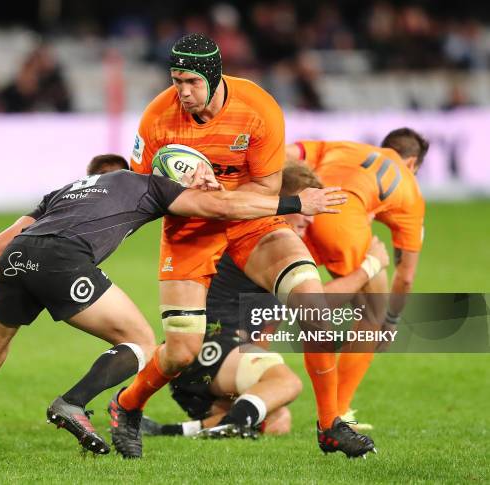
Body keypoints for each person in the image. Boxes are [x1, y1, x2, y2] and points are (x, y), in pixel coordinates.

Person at [0, 156, 343, 466]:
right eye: (198, 174)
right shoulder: (150, 184)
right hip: (63, 258)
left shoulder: (64, 191)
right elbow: (224, 207)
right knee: (142, 342)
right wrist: (296, 203)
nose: (204, 181)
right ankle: (73, 403)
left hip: (16, 259)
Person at [118, 32, 374, 458]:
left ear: (215, 76)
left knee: (313, 304)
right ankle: (126, 407)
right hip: (191, 230)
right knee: (181, 351)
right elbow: (143, 191)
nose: (182, 92)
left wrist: (224, 196)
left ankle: (330, 425)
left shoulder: (258, 109)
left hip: (251, 224)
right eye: (176, 80)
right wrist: (187, 193)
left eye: (192, 82)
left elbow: (267, 189)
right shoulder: (157, 118)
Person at [140, 165, 389, 438]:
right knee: (288, 383)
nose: (310, 219)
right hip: (210, 348)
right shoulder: (262, 242)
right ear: (281, 202)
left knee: (278, 420)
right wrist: (370, 267)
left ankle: (173, 431)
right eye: (304, 206)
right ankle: (232, 424)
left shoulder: (278, 245)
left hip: (216, 368)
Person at [286, 128, 428, 431]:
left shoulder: (345, 147)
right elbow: (406, 277)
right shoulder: (411, 191)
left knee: (276, 289)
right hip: (341, 218)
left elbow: (287, 154)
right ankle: (338, 412)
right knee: (371, 312)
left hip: (303, 207)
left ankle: (244, 378)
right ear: (412, 163)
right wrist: (390, 321)